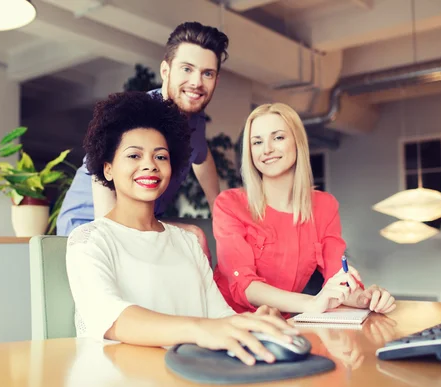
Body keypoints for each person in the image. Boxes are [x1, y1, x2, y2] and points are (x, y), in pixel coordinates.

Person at [66, 92, 296, 367]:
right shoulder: (88, 240)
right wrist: (199, 329)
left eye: (160, 156)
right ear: (108, 169)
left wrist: (251, 321)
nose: (149, 165)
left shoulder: (187, 242)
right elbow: (112, 318)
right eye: (134, 155)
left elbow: (218, 317)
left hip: (194, 380)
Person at [57, 21, 227, 258]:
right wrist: (113, 238)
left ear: (216, 80)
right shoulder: (139, 114)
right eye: (187, 69)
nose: (197, 82)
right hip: (89, 224)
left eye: (207, 73)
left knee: (194, 241)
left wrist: (218, 210)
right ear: (166, 71)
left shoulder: (194, 121)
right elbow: (99, 175)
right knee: (192, 238)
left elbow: (202, 156)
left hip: (140, 220)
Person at [212, 103, 397, 316]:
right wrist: (312, 303)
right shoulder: (229, 204)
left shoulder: (324, 206)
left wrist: (366, 298)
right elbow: (243, 284)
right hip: (229, 322)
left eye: (278, 137)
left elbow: (337, 274)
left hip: (285, 326)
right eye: (257, 142)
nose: (267, 149)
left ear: (298, 143)